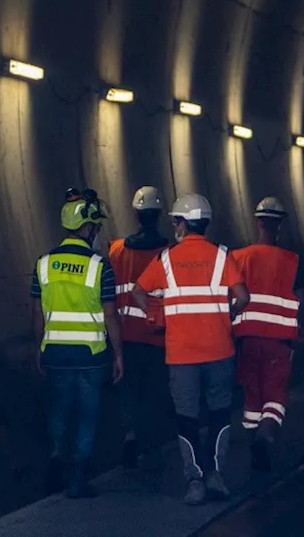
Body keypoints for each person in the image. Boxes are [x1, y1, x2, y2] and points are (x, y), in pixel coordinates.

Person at [128, 194, 250, 505]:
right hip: (220, 351)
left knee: (187, 417)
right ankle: (217, 476)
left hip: (181, 355)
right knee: (221, 413)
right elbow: (243, 296)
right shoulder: (222, 256)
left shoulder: (167, 259)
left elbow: (138, 291)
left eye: (175, 221)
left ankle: (194, 481)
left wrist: (157, 314)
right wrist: (229, 314)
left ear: (182, 223)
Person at [30, 188, 124, 499]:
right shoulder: (99, 267)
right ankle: (78, 477)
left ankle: (56, 459)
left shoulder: (43, 264)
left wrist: (39, 349)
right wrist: (118, 355)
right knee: (87, 414)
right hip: (91, 356)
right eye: (96, 228)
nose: (97, 233)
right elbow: (110, 316)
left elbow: (37, 315)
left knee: (59, 408)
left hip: (56, 354)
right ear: (87, 228)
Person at [231, 197, 303, 473]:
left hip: (247, 339)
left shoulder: (238, 258)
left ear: (258, 221)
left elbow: (231, 300)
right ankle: (265, 437)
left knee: (252, 396)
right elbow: (301, 301)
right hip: (279, 342)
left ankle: (254, 445)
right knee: (275, 396)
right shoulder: (291, 260)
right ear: (280, 225)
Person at [109, 186, 171, 468]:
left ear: (135, 213)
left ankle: (130, 435)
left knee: (128, 389)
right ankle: (151, 443)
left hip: (125, 333)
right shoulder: (170, 252)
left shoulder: (117, 250)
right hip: (157, 334)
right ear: (159, 215)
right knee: (154, 389)